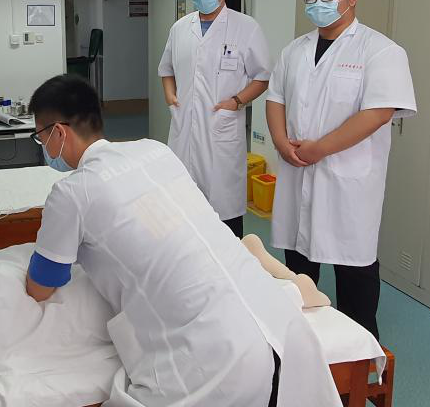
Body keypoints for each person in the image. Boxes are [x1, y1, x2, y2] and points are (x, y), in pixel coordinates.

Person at [24, 74, 340, 407]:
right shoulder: (154, 150)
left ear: (59, 133)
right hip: (281, 328)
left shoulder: (72, 193)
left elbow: (41, 286)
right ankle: (281, 278)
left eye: (41, 138)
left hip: (220, 360)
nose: (44, 147)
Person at [265, 0, 416, 338]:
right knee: (297, 270)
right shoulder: (295, 50)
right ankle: (300, 344)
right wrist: (281, 142)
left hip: (348, 181)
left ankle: (361, 349)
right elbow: (275, 98)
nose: (319, 3)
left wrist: (320, 149)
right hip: (298, 167)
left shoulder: (380, 50)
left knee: (354, 273)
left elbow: (378, 112)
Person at [158, 0, 271, 238]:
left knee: (225, 218)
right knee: (184, 213)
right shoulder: (180, 28)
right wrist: (171, 96)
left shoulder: (245, 27)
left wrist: (236, 102)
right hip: (184, 129)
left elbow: (262, 77)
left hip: (221, 129)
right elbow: (166, 69)